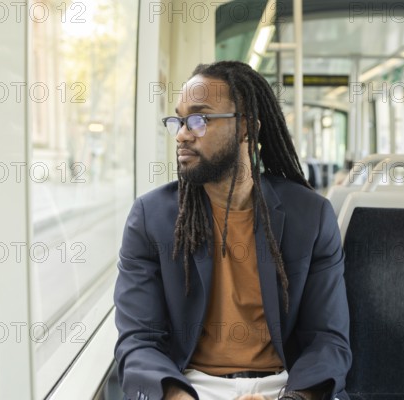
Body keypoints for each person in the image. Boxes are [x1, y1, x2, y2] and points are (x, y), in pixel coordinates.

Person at [114, 61, 351, 400]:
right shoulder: (151, 218)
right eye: (178, 121)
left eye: (199, 119)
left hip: (287, 383)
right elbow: (138, 341)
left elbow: (327, 340)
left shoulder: (310, 216)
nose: (182, 133)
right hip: (189, 384)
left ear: (246, 129)